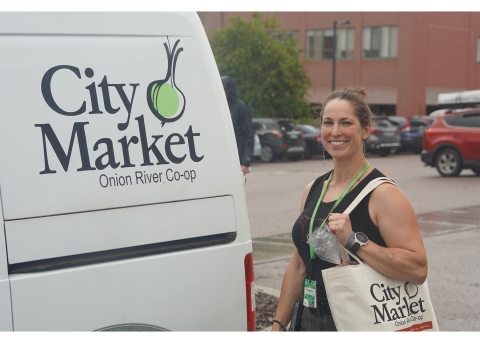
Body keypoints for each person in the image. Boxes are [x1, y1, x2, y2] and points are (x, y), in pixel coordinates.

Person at [271, 86, 428, 331]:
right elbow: (300, 264)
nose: (335, 132)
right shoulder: (313, 189)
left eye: (346, 123)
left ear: (366, 130)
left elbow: (418, 269)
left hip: (359, 321)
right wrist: (279, 324)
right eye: (328, 123)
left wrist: (353, 240)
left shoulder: (383, 193)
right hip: (307, 320)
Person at [221, 76, 254, 175]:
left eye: (223, 89)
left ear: (229, 90)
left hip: (238, 159)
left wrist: (245, 162)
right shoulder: (220, 107)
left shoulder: (241, 107)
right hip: (224, 160)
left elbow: (249, 135)